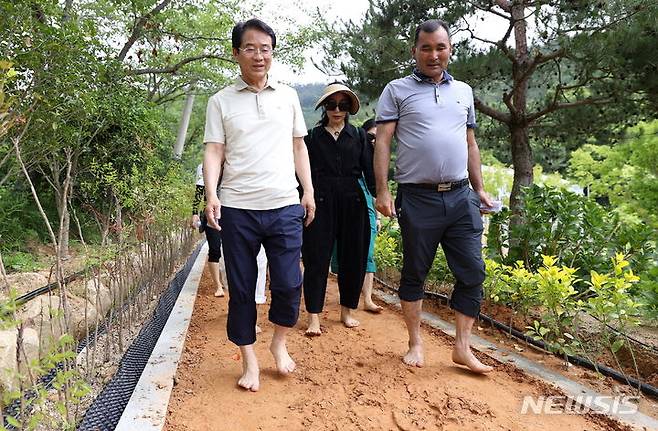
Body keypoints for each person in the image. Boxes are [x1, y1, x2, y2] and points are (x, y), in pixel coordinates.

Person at [374, 19, 494, 374]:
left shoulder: (464, 92)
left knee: (472, 272)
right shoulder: (397, 90)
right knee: (415, 272)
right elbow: (382, 141)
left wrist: (480, 187)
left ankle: (462, 347)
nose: (433, 54)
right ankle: (415, 342)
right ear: (414, 51)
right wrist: (383, 190)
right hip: (418, 198)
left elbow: (470, 143)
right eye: (425, 48)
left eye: (440, 47)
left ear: (450, 50)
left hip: (461, 197)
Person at [203, 18, 315, 392]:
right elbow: (214, 150)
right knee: (242, 286)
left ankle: (278, 343)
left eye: (265, 48)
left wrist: (308, 191)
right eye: (250, 48)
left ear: (272, 53)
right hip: (237, 208)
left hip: (284, 204)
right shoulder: (220, 101)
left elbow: (300, 146)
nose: (258, 55)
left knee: (287, 282)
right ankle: (248, 360)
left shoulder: (288, 96)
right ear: (236, 53)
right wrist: (211, 194)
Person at [302, 83, 375, 336]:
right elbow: (302, 173)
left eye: (343, 105)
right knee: (315, 258)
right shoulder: (311, 137)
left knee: (353, 256)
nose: (337, 110)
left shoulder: (359, 136)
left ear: (349, 109)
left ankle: (347, 311)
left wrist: (381, 198)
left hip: (353, 202)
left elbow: (370, 171)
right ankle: (313, 316)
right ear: (324, 107)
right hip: (319, 201)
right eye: (331, 104)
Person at [329, 118, 383, 313]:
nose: (375, 141)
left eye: (379, 137)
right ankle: (348, 294)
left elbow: (376, 190)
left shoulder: (382, 159)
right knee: (343, 251)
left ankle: (367, 298)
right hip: (347, 198)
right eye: (371, 137)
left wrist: (377, 215)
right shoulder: (356, 148)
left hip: (366, 205)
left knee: (367, 250)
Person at [190, 163, 225, 297]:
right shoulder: (204, 166)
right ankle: (218, 285)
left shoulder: (233, 163)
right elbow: (199, 192)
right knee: (215, 248)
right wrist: (195, 213)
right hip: (211, 213)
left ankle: (227, 280)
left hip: (231, 212)